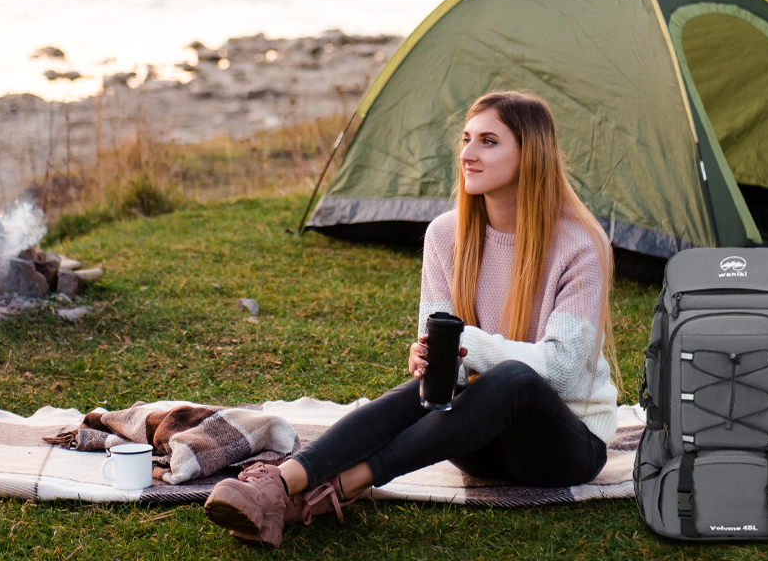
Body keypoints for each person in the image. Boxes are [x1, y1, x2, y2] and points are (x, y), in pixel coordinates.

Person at [203, 90, 620, 547]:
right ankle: (280, 485)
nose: (467, 154)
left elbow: (565, 373)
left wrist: (465, 343)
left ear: (531, 154)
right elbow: (450, 363)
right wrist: (436, 360)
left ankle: (341, 488)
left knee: (514, 380)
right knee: (422, 390)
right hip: (476, 445)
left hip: (561, 448)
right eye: (466, 139)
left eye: (488, 141)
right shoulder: (446, 235)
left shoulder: (578, 244)